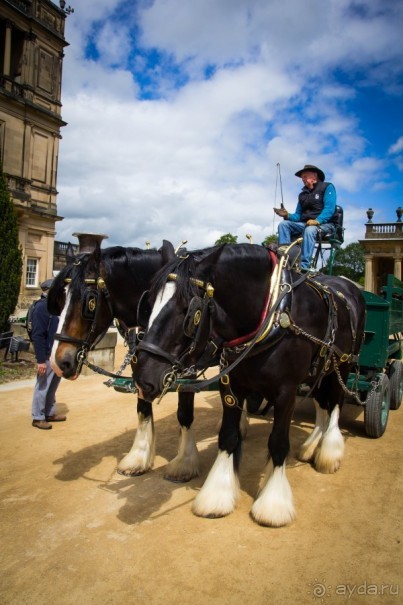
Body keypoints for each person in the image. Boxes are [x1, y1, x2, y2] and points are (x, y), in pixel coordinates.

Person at [274, 164, 336, 271]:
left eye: (305, 176)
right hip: (305, 224)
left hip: (325, 225)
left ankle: (304, 265)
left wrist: (318, 220)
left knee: (310, 230)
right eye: (302, 177)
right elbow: (298, 215)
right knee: (284, 224)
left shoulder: (327, 187)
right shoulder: (302, 195)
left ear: (315, 176)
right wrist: (287, 215)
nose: (302, 179)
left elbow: (329, 209)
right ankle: (285, 259)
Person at [31, 278, 65, 430]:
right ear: (49, 291)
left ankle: (49, 412)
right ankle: (38, 417)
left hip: (55, 355)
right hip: (46, 355)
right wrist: (41, 360)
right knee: (43, 386)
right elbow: (38, 335)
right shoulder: (41, 308)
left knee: (52, 386)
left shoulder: (54, 308)